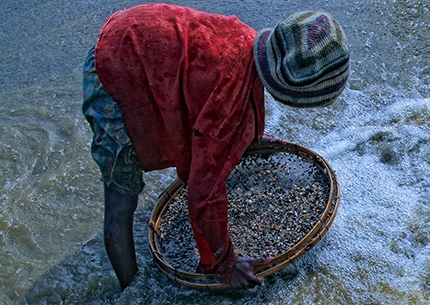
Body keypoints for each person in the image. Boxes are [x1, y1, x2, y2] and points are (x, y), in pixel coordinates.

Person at [82, 4, 350, 290]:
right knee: (121, 200)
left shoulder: (249, 44)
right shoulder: (228, 90)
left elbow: (231, 94)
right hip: (112, 67)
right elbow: (203, 189)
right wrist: (224, 263)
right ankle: (130, 294)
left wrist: (249, 138)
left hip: (138, 30)